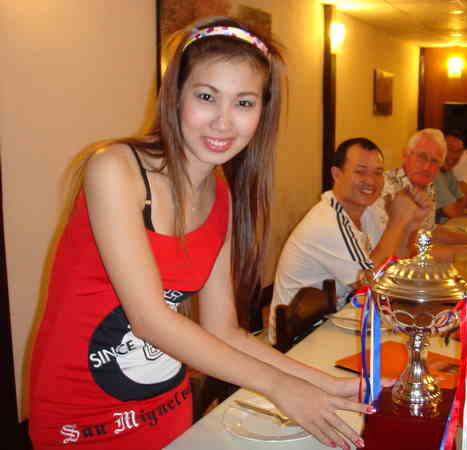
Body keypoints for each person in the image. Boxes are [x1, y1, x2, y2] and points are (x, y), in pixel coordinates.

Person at [28, 17, 373, 450]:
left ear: (262, 112)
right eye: (207, 96)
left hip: (166, 403)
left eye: (244, 103)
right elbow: (151, 321)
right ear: (175, 96)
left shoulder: (220, 193)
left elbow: (223, 330)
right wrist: (280, 387)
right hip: (81, 417)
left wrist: (324, 383)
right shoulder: (115, 169)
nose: (223, 123)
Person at [268, 137, 429, 345]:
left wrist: (410, 225)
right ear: (337, 174)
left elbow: (392, 267)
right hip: (300, 338)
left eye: (378, 172)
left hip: (335, 319)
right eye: (360, 171)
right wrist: (397, 221)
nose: (371, 181)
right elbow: (370, 280)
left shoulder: (369, 212)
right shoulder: (328, 221)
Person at [380, 129, 467, 262]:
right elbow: (401, 251)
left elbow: (429, 231)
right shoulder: (386, 189)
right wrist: (465, 252)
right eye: (422, 157)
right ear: (405, 154)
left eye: (434, 161)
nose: (427, 167)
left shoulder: (428, 186)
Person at [434, 130, 467, 223]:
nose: (454, 156)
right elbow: (453, 212)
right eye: (449, 149)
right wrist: (456, 206)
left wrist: (457, 205)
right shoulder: (433, 172)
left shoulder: (448, 171)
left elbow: (463, 201)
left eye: (459, 152)